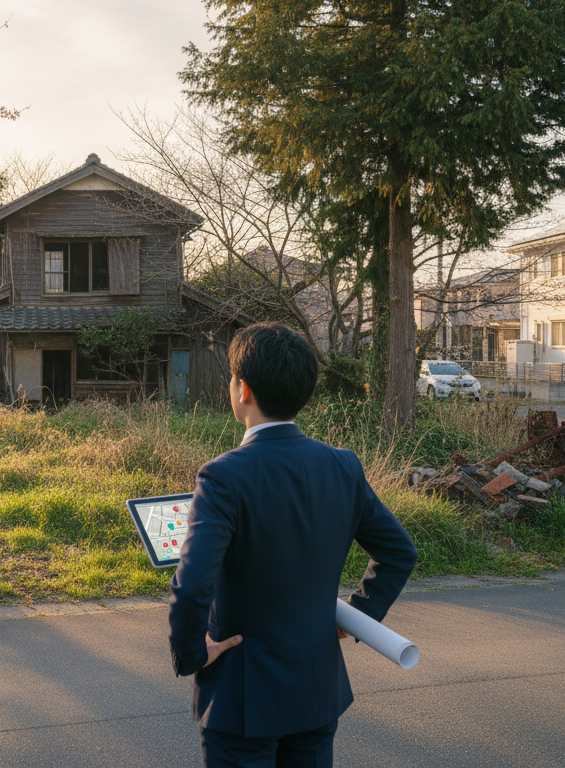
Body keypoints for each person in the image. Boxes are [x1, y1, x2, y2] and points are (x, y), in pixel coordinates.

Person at [168, 322, 418, 768]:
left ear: (243, 389)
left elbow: (191, 586)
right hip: (317, 690)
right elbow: (399, 552)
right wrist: (359, 614)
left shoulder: (223, 475)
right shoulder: (343, 466)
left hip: (242, 697)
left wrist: (192, 654)